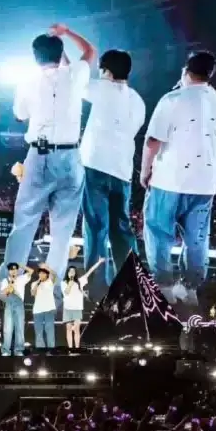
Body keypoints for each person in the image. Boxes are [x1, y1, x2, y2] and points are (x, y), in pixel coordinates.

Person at [0, 24, 96, 305]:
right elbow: (89, 51)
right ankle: (52, 293)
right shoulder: (75, 74)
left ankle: (8, 283)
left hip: (40, 155)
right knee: (62, 231)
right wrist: (66, 32)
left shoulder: (28, 82)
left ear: (35, 58)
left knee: (24, 222)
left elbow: (20, 115)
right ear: (61, 54)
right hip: (71, 157)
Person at [141, 51, 216, 332]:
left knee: (158, 231)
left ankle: (164, 286)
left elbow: (153, 141)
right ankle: (189, 287)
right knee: (197, 238)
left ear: (185, 70)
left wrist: (144, 171)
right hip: (204, 183)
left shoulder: (172, 99)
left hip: (170, 180)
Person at [78, 49, 145, 288]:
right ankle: (132, 286)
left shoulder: (101, 88)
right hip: (122, 171)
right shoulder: (138, 100)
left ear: (106, 71)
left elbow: (74, 80)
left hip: (95, 166)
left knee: (96, 227)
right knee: (122, 230)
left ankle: (96, 289)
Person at [61, 258, 105, 349]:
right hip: (67, 308)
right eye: (70, 271)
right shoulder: (63, 283)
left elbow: (90, 272)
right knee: (68, 329)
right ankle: (70, 348)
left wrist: (99, 262)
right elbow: (66, 292)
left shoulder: (80, 281)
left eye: (73, 271)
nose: (72, 273)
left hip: (77, 308)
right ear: (67, 273)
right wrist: (70, 283)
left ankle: (76, 348)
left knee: (76, 329)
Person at [0, 263, 28, 357]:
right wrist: (10, 283)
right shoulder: (5, 280)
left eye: (15, 269)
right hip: (9, 303)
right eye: (11, 269)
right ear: (9, 271)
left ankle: (18, 350)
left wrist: (22, 266)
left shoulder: (22, 278)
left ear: (18, 270)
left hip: (19, 303)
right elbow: (4, 292)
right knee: (8, 328)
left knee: (19, 327)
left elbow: (31, 272)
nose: (13, 271)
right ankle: (6, 350)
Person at [29, 265, 57, 349]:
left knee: (49, 331)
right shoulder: (34, 283)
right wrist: (38, 283)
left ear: (47, 274)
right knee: (38, 332)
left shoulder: (50, 282)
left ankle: (51, 350)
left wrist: (48, 268)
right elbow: (33, 293)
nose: (41, 275)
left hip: (49, 310)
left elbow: (54, 275)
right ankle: (40, 351)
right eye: (40, 273)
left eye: (43, 273)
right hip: (37, 311)